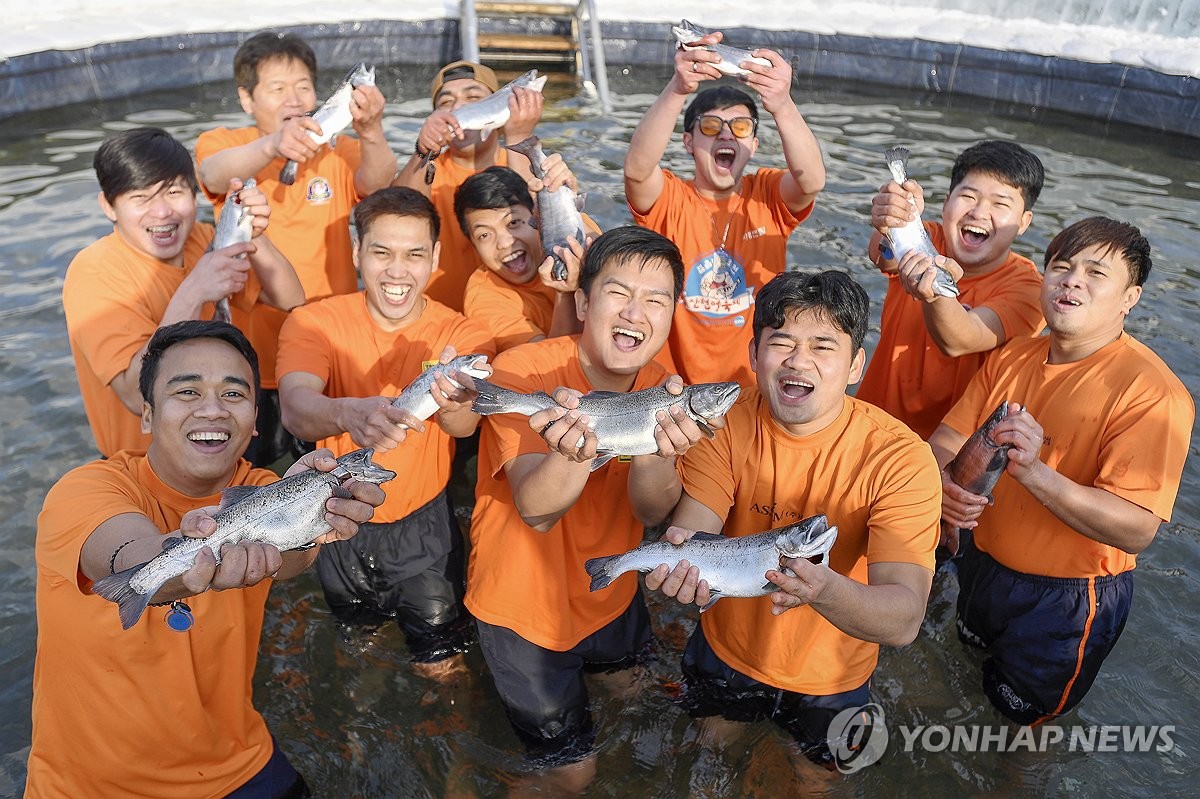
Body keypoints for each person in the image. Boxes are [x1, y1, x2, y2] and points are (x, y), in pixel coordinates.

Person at [27, 320, 385, 798]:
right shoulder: (85, 490)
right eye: (187, 391)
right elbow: (126, 554)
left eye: (234, 395)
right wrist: (182, 563)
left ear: (258, 419)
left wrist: (314, 515)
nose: (212, 409)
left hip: (239, 762)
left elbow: (295, 559)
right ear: (148, 416)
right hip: (94, 785)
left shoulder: (261, 489)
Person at [636, 270, 942, 774]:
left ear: (854, 365)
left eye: (824, 346)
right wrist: (678, 565)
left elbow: (905, 619)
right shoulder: (727, 421)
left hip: (835, 678)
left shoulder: (900, 458)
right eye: (781, 343)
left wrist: (821, 589)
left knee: (815, 782)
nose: (799, 361)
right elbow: (693, 531)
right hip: (726, 651)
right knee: (708, 752)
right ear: (754, 356)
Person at [464, 226, 712, 791]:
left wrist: (653, 450)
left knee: (637, 695)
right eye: (619, 292)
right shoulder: (523, 373)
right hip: (522, 607)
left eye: (656, 299)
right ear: (583, 300)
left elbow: (652, 511)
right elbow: (536, 509)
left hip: (612, 589)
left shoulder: (662, 388)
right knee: (573, 777)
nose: (636, 312)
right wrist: (576, 449)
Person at [929, 217, 1193, 724]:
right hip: (981, 563)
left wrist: (1034, 472)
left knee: (1024, 733)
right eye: (1061, 267)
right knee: (963, 674)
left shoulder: (1152, 392)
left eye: (1096, 273)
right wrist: (941, 482)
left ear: (1129, 298)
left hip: (1067, 599)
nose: (1072, 281)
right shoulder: (1013, 356)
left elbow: (1137, 529)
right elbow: (947, 438)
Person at [276, 187, 495, 677]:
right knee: (357, 637)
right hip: (332, 516)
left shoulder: (465, 335)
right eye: (382, 253)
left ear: (436, 258)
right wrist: (348, 414)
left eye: (415, 254)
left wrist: (457, 404)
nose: (398, 271)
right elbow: (294, 408)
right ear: (357, 253)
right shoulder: (312, 322)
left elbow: (464, 425)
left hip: (423, 525)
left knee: (440, 661)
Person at [196, 31, 397, 465]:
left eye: (303, 86)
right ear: (247, 99)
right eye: (278, 88)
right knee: (254, 469)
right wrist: (272, 144)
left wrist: (372, 130)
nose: (294, 98)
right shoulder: (227, 143)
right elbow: (211, 174)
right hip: (256, 349)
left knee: (336, 468)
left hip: (331, 343)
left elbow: (380, 185)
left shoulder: (337, 150)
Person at [63, 126, 303, 460]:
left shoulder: (205, 237)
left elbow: (290, 300)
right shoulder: (95, 270)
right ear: (108, 205)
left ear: (194, 195)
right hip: (145, 468)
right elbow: (135, 396)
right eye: (141, 198)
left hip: (222, 451)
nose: (162, 212)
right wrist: (195, 289)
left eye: (174, 192)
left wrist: (252, 232)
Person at [623, 27, 826, 385]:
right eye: (712, 125)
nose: (727, 135)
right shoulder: (670, 197)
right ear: (688, 141)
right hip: (672, 389)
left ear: (755, 144)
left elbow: (811, 181)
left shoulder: (767, 194)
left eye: (741, 126)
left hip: (751, 389)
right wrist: (678, 89)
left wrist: (781, 103)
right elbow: (637, 171)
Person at [856, 140, 1046, 440]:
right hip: (868, 425)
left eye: (1000, 203)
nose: (979, 213)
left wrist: (935, 295)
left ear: (1024, 222)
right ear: (946, 203)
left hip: (945, 453)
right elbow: (884, 255)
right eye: (968, 196)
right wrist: (888, 221)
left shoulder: (1030, 289)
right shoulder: (928, 235)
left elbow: (960, 340)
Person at [392, 60, 543, 312]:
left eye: (473, 97)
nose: (459, 106)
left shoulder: (524, 161)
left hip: (517, 318)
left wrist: (519, 135)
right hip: (438, 320)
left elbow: (545, 221)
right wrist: (423, 151)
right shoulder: (425, 169)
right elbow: (395, 219)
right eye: (446, 103)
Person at [455, 164, 593, 352]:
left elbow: (616, 262)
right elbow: (542, 362)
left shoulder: (566, 226)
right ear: (473, 245)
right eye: (484, 235)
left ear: (537, 216)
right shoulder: (484, 298)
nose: (504, 243)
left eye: (513, 223)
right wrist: (566, 293)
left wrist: (565, 197)